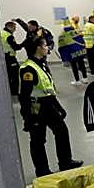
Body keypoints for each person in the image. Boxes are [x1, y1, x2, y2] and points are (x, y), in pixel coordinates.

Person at [19, 36, 83, 177]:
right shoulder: (28, 69)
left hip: (49, 104)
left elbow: (48, 89)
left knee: (61, 131)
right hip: (36, 107)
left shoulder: (41, 64)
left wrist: (59, 107)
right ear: (38, 48)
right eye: (45, 45)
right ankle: (42, 170)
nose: (47, 48)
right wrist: (27, 116)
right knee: (38, 139)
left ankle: (65, 162)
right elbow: (24, 95)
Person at [57, 20, 88, 85]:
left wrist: (64, 56)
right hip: (80, 51)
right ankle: (85, 78)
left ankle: (77, 81)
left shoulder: (62, 34)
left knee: (74, 66)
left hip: (71, 53)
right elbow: (82, 40)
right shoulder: (75, 31)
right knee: (81, 64)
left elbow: (61, 45)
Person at [1, 20, 25, 95]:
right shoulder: (9, 36)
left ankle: (8, 91)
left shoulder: (2, 33)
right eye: (14, 27)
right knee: (14, 76)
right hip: (10, 58)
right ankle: (14, 92)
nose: (15, 29)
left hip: (4, 57)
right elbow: (15, 47)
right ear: (9, 27)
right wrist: (23, 44)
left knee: (8, 75)